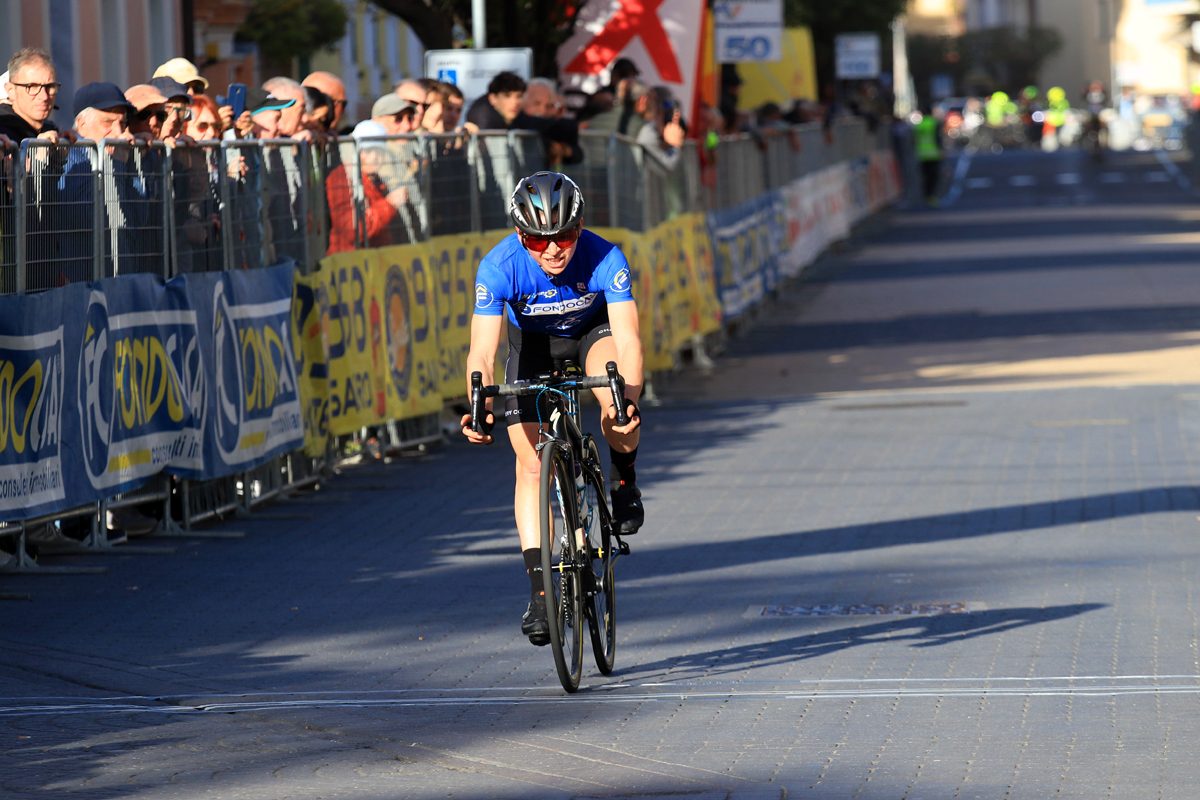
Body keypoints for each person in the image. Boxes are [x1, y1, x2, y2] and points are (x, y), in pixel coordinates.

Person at [462, 172, 645, 646]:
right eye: (536, 240)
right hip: (533, 346)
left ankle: (624, 479)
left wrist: (627, 402)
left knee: (613, 397)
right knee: (529, 465)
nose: (552, 250)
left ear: (579, 229)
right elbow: (482, 352)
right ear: (520, 235)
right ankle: (541, 592)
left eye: (563, 236)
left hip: (590, 335)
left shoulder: (606, 256)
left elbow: (628, 339)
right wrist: (479, 408)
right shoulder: (498, 265)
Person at [0, 47, 65, 144]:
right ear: (11, 90)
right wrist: (37, 156)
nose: (44, 96)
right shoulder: (3, 136)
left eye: (50, 87)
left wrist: (64, 150)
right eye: (32, 87)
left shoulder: (51, 132)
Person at [912, 104, 942, 204]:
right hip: (933, 154)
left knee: (924, 176)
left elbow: (914, 140)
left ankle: (925, 195)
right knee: (933, 176)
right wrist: (941, 150)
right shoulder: (933, 123)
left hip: (921, 154)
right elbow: (938, 139)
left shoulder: (918, 124)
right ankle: (931, 196)